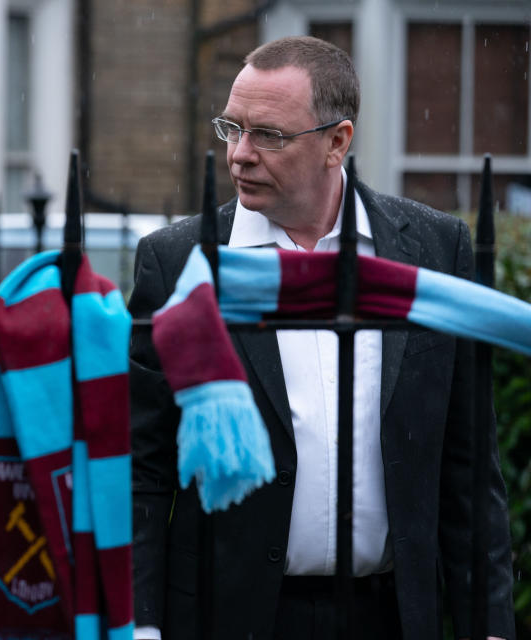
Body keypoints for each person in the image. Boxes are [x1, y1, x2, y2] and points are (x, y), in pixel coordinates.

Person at [128, 36, 514, 639]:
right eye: (232, 128)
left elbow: (467, 470)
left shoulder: (434, 252)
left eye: (269, 135)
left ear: (338, 141)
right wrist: (140, 626)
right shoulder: (177, 261)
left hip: (388, 617)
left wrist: (490, 626)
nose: (240, 155)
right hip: (228, 618)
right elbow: (141, 467)